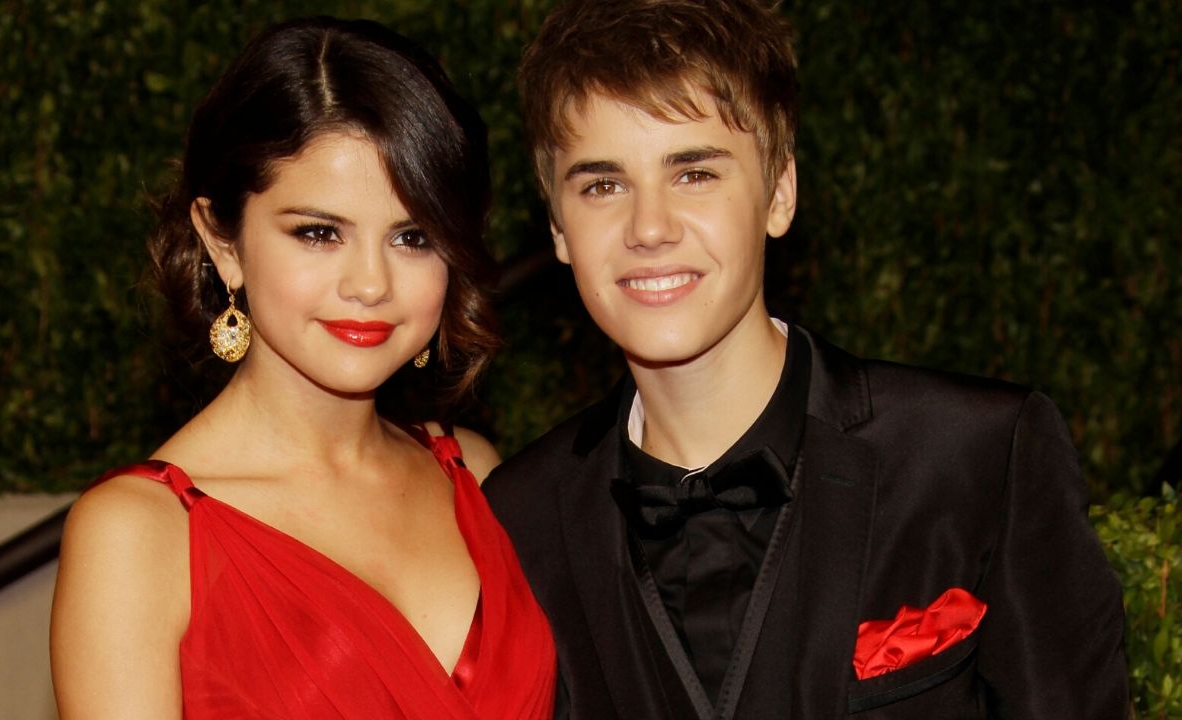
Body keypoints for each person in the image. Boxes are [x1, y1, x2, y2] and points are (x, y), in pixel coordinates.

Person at [482, 1, 1129, 718]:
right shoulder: (519, 517)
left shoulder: (978, 457)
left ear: (780, 192)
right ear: (558, 228)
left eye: (694, 173)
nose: (649, 227)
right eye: (603, 185)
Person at [50, 17, 555, 719]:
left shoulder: (471, 471)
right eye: (319, 233)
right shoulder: (139, 535)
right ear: (223, 243)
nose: (370, 283)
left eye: (413, 237)